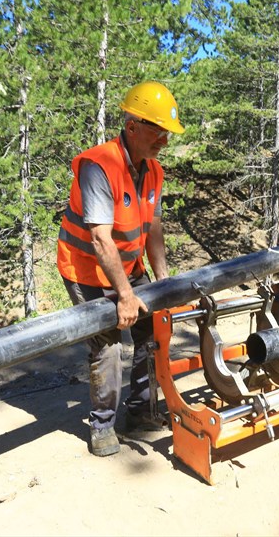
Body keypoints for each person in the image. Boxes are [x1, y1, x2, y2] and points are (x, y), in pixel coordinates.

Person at [57, 80, 185, 456]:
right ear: (132, 126)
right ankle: (102, 426)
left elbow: (153, 227)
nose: (164, 140)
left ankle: (141, 411)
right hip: (85, 268)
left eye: (167, 133)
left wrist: (162, 280)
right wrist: (125, 296)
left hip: (126, 264)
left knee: (154, 327)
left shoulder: (154, 171)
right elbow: (100, 239)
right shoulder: (99, 165)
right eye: (158, 131)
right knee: (109, 342)